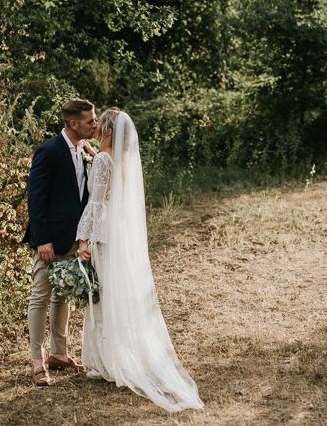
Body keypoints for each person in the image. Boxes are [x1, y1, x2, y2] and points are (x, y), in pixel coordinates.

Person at [76, 109, 204, 412]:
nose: (95, 129)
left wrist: (83, 239)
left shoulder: (105, 160)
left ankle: (109, 362)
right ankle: (121, 356)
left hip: (103, 235)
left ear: (108, 131)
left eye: (100, 126)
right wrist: (94, 155)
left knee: (103, 296)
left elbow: (95, 203)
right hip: (117, 233)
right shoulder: (119, 160)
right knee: (115, 294)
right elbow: (107, 179)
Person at [22, 98, 97, 386]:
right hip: (50, 240)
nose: (94, 124)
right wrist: (42, 239)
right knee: (40, 296)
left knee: (62, 295)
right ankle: (37, 361)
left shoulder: (84, 150)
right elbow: (36, 197)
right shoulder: (49, 151)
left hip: (74, 238)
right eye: (90, 121)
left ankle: (60, 353)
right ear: (73, 123)